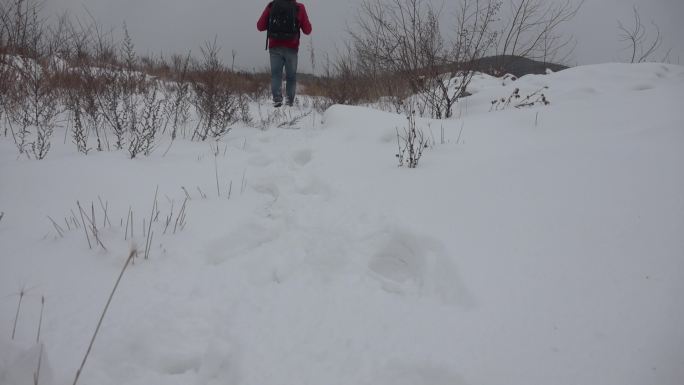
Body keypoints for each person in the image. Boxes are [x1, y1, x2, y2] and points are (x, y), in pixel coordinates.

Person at [257, 0, 312, 107]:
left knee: (276, 75)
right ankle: (289, 101)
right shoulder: (299, 7)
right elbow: (307, 30)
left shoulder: (271, 5)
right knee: (291, 76)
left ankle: (277, 99)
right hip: (292, 47)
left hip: (274, 47)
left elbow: (260, 26)